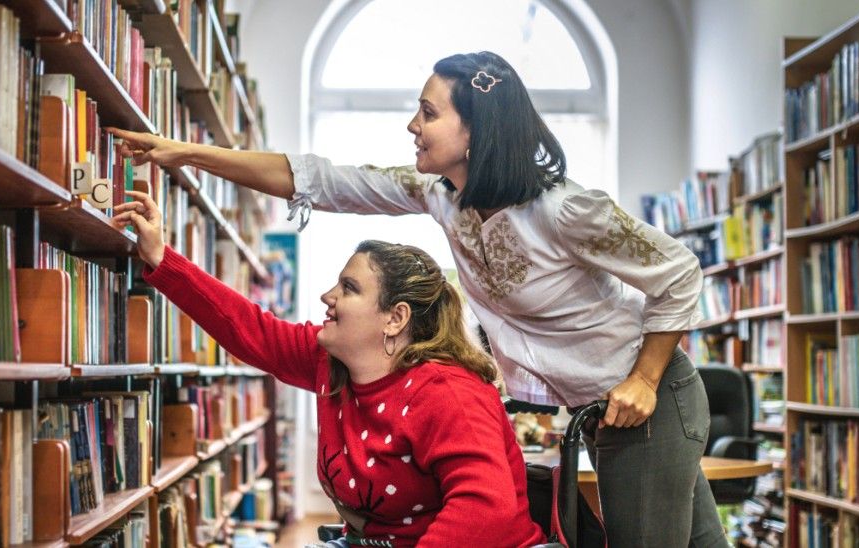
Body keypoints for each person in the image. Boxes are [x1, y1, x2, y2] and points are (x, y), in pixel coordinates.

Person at [112, 51, 726, 547]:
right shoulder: (442, 196)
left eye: (427, 113)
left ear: (474, 130)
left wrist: (644, 379)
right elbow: (323, 179)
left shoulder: (565, 209)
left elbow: (678, 271)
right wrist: (188, 154)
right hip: (595, 405)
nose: (413, 126)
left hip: (646, 399)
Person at [112, 191, 545, 547]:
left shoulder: (449, 393)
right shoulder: (330, 363)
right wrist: (162, 258)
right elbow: (249, 329)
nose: (327, 296)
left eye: (349, 289)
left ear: (395, 318)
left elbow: (486, 510)